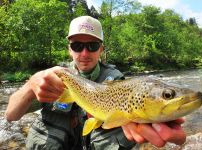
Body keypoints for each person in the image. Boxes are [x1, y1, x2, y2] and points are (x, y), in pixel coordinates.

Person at [5, 16, 186, 150]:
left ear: (101, 49)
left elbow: (136, 107)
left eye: (92, 46)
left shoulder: (117, 82)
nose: (84, 53)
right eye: (77, 46)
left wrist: (153, 117)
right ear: (69, 50)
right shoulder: (52, 78)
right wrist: (31, 85)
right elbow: (11, 115)